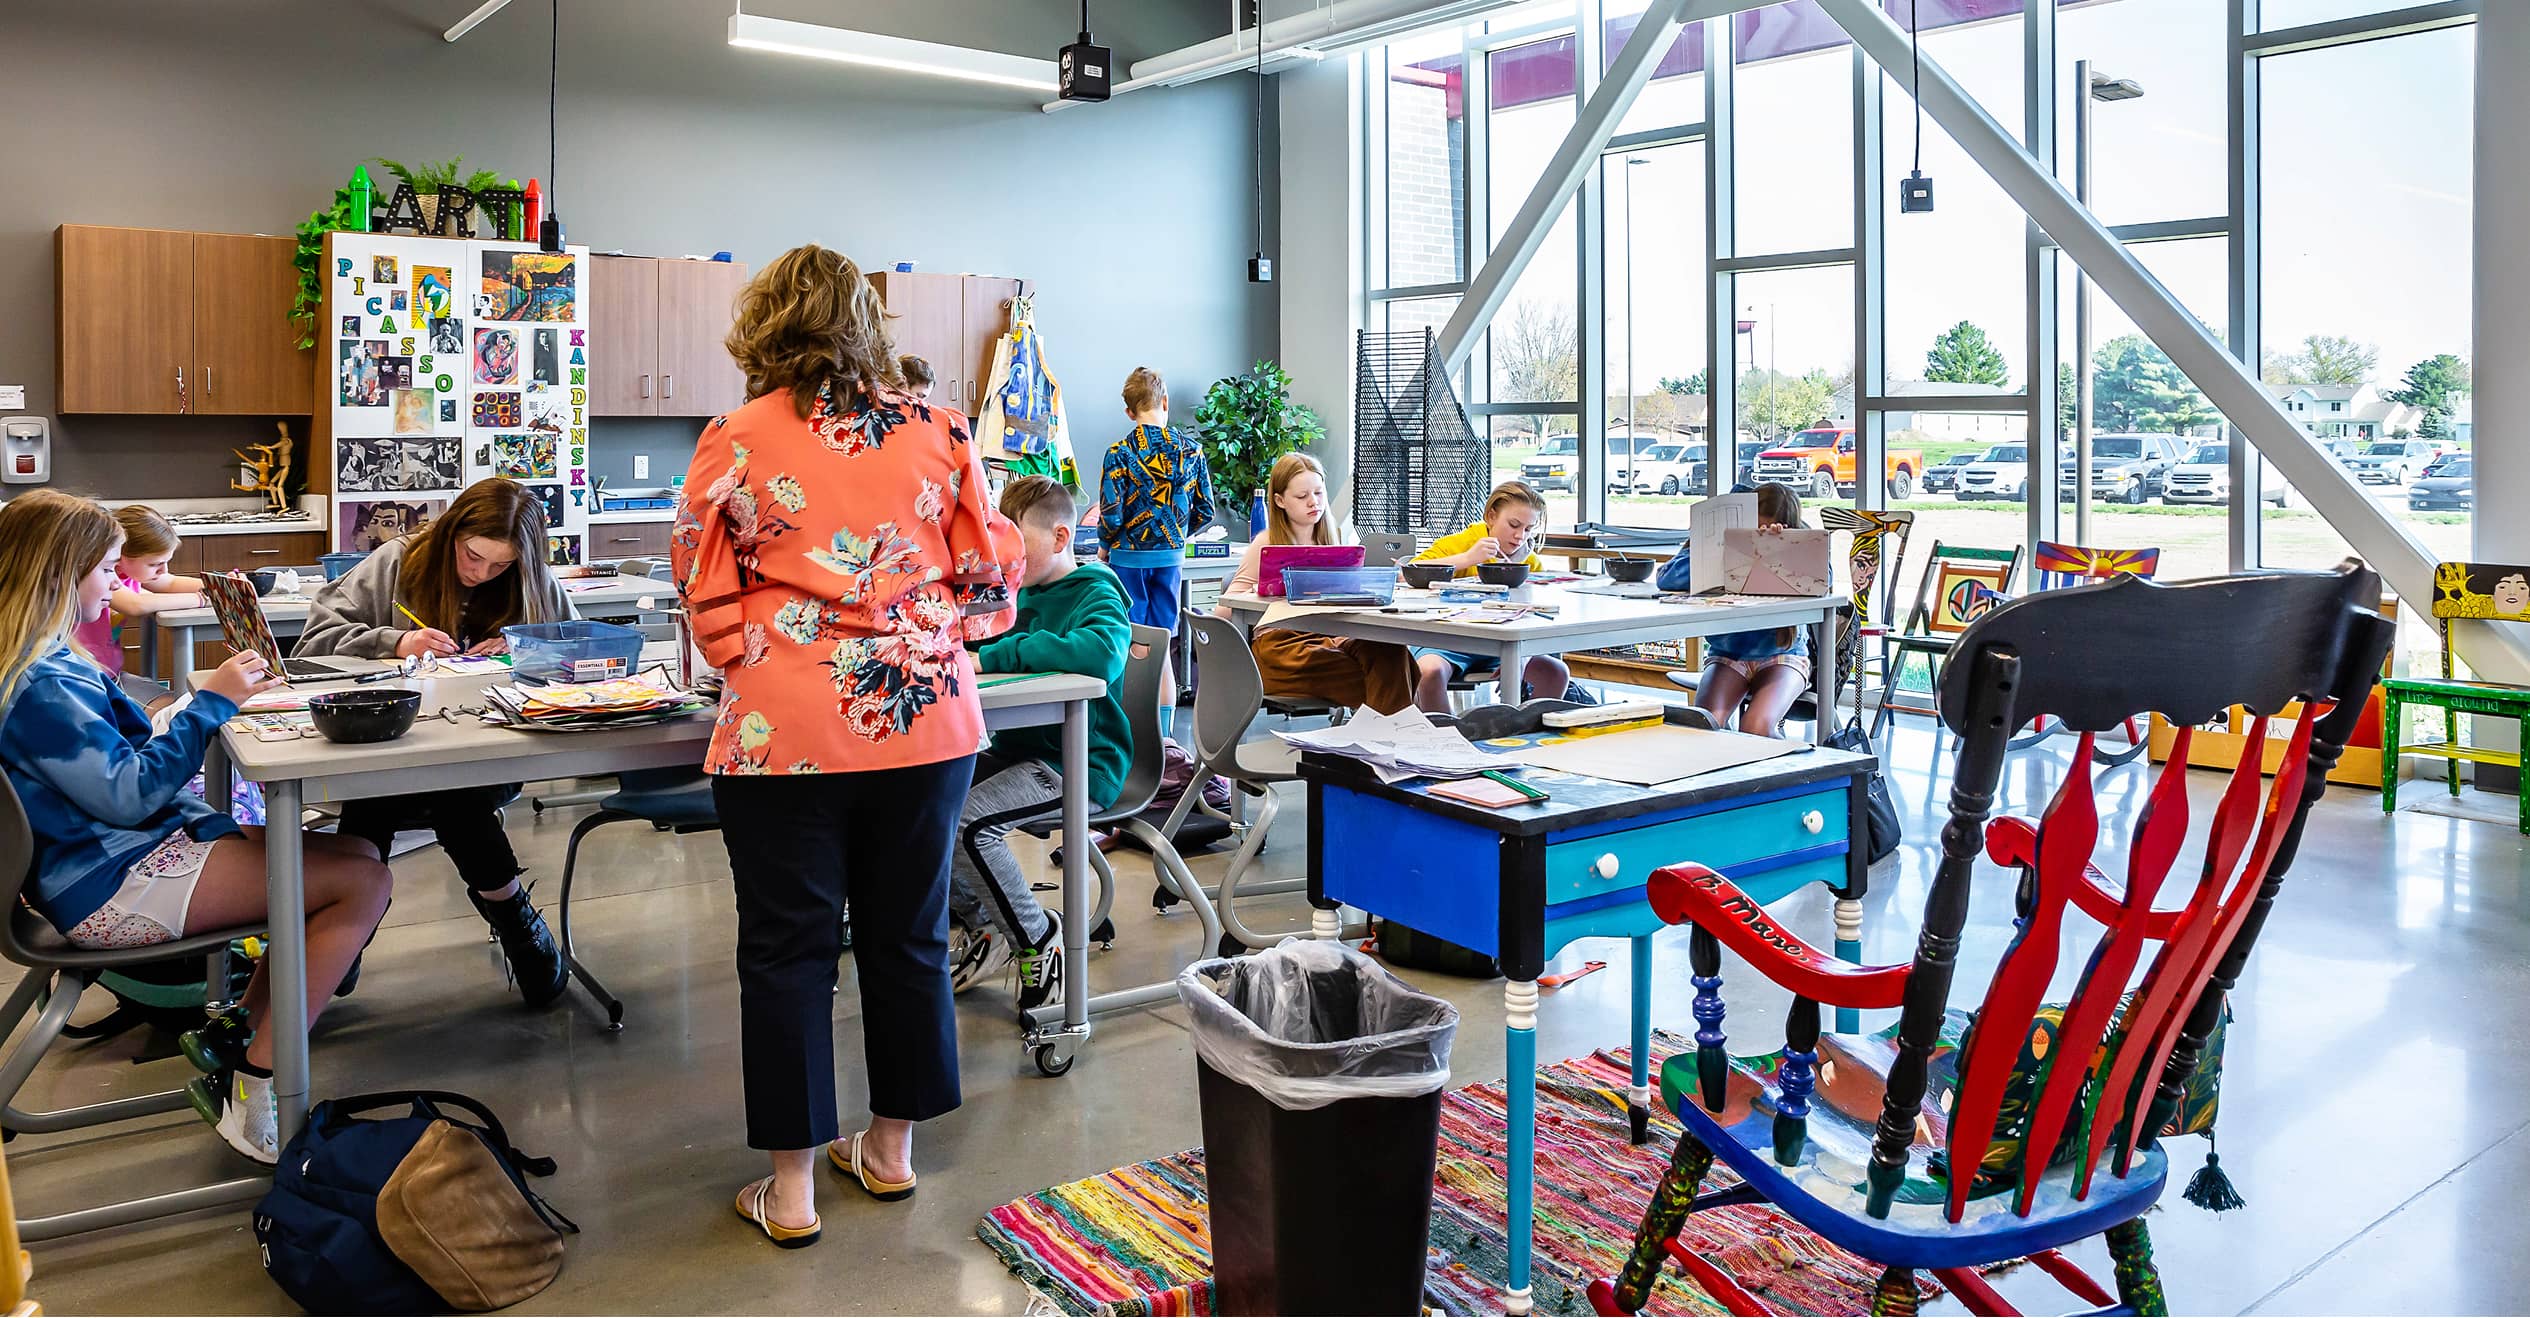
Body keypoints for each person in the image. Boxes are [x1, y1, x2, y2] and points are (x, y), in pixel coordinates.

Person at [675, 243, 1024, 1248]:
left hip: (786, 727)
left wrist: (749, 653)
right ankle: (889, 1152)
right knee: (907, 935)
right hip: (925, 717)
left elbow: (699, 571)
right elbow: (990, 576)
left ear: (765, 326)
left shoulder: (737, 434)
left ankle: (789, 1194)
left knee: (787, 950)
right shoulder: (939, 426)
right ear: (868, 324)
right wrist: (936, 633)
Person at [0, 491, 391, 1163]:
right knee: (364, 882)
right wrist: (209, 705)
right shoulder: (44, 681)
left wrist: (182, 715)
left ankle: (238, 1035)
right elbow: (128, 795)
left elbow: (111, 772)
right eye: (109, 571)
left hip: (101, 866)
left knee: (351, 850)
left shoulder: (39, 665)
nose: (119, 585)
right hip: (108, 887)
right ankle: (258, 1083)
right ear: (63, 573)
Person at [297, 478, 575, 1005]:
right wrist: (395, 641)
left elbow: (578, 649)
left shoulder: (532, 579)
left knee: (427, 795)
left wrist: (524, 649)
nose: (480, 573)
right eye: (472, 556)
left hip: (486, 748)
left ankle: (338, 941)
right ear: (452, 531)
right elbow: (316, 639)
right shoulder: (402, 559)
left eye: (500, 567)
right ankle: (518, 923)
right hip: (394, 740)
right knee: (424, 794)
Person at [949, 475, 1130, 1015]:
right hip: (1018, 754)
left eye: (1016, 542)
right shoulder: (1015, 593)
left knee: (968, 825)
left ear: (1059, 537)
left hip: (1079, 762)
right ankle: (987, 928)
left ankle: (1037, 938)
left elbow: (1099, 655)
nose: (1006, 554)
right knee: (922, 803)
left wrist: (1001, 655)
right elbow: (982, 640)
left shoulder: (1096, 590)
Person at [1217, 452, 1416, 713]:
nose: (1314, 502)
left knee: (1393, 653)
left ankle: (1382, 743)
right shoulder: (1266, 544)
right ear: (1280, 501)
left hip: (1329, 636)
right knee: (1391, 680)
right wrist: (1262, 594)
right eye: (1302, 496)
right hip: (1281, 648)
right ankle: (1391, 743)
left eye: (1319, 493)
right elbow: (1223, 611)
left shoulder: (1334, 541)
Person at [1656, 482, 1812, 736]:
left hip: (1783, 655)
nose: (1757, 536)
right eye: (1753, 530)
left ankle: (1774, 770)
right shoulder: (1723, 544)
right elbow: (1668, 579)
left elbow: (1822, 579)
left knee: (1756, 726)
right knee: (1704, 726)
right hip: (1728, 655)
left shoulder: (1802, 542)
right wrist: (1721, 544)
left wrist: (1781, 548)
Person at [1407, 480, 1571, 712]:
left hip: (1500, 645)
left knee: (1556, 672)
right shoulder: (1461, 544)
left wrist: (1523, 655)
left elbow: (1537, 611)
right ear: (1491, 516)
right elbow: (1409, 573)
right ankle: (1446, 741)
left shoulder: (1528, 561)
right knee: (1429, 671)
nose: (1519, 536)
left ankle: (1523, 738)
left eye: (1528, 529)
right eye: (1513, 525)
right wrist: (1466, 559)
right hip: (1447, 641)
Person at [1098, 367, 1216, 643]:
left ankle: (1133, 687)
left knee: (1130, 636)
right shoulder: (1192, 451)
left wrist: (1104, 546)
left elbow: (1111, 514)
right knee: (1163, 637)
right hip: (1171, 557)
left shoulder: (1119, 453)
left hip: (1128, 558)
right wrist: (1175, 534)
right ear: (1165, 402)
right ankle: (1166, 686)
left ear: (1129, 413)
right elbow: (1206, 509)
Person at [69, 505, 207, 679]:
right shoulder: (102, 580)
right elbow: (135, 604)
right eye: (154, 564)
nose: (163, 570)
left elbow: (171, 583)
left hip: (107, 673)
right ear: (121, 555)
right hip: (83, 675)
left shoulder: (130, 572)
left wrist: (221, 586)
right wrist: (199, 600)